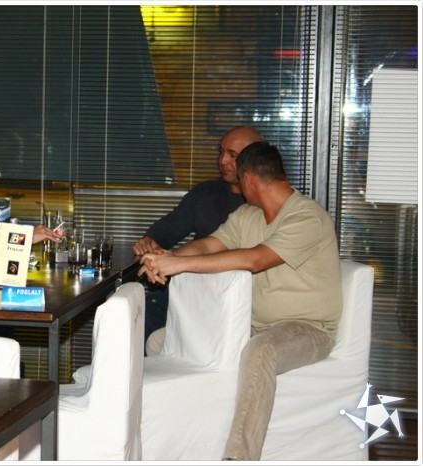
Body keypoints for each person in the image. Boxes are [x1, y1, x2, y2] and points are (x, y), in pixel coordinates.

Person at [139, 141, 341, 460]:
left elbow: (255, 259)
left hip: (309, 330)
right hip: (254, 326)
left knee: (261, 351)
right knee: (161, 340)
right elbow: (208, 246)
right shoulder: (248, 215)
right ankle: (186, 434)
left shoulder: (307, 217)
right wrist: (168, 258)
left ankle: (239, 457)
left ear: (248, 179)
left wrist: (177, 265)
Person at [133, 126, 263, 347]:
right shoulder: (205, 193)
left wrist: (174, 261)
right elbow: (170, 228)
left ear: (254, 158)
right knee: (136, 316)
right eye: (221, 152)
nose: (222, 160)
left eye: (232, 155)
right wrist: (151, 242)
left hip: (238, 300)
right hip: (192, 290)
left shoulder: (263, 202)